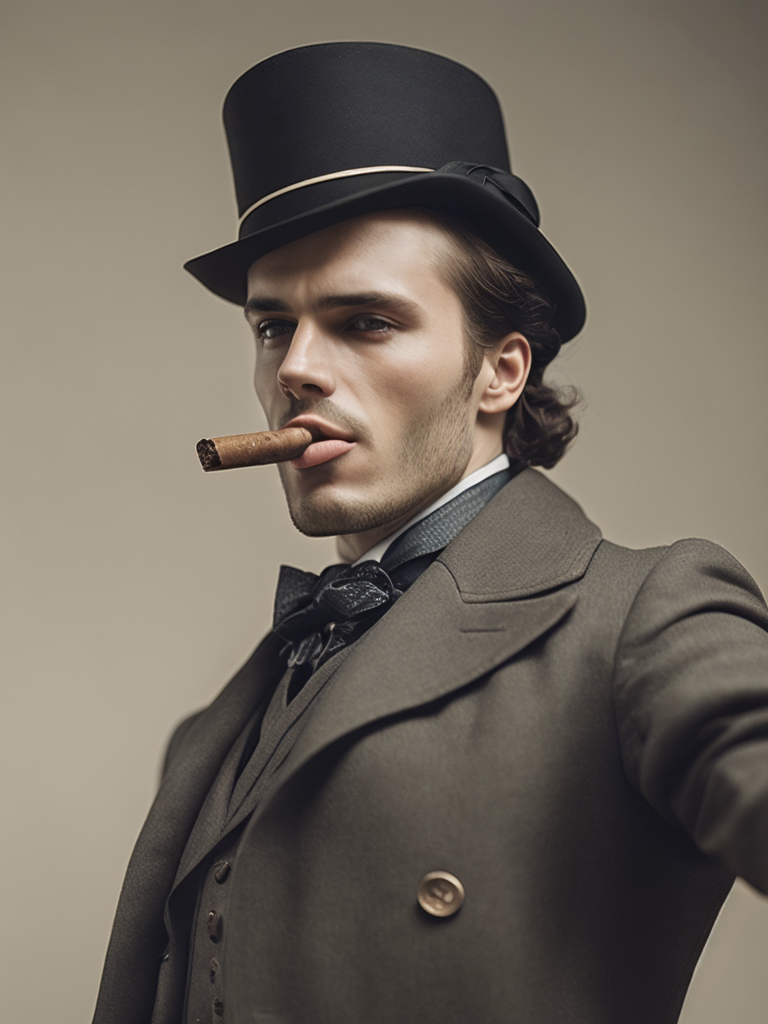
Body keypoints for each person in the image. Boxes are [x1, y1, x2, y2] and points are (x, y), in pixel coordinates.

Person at [91, 42, 768, 1024]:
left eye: (367, 321)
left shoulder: (643, 619)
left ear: (501, 370)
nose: (296, 368)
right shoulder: (213, 732)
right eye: (273, 326)